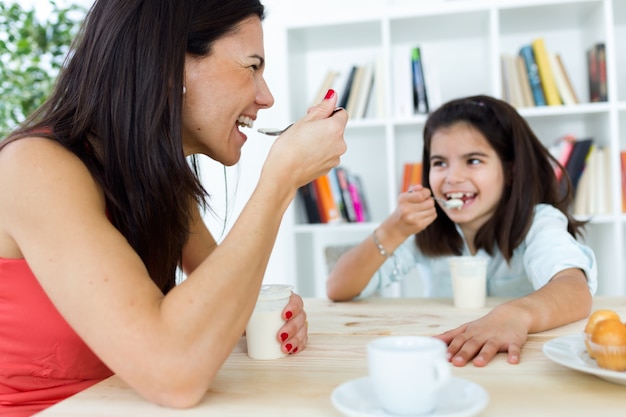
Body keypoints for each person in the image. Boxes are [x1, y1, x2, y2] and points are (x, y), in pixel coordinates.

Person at [0, 1, 348, 415]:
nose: (266, 97)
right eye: (251, 66)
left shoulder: (158, 180)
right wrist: (279, 181)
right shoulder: (32, 170)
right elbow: (173, 371)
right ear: (169, 68)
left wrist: (264, 314)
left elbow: (224, 307)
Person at [326, 95, 596, 367]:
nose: (452, 177)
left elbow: (575, 290)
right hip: (447, 359)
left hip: (521, 362)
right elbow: (338, 288)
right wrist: (393, 229)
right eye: (440, 163)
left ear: (510, 170)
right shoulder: (425, 227)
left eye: (474, 161)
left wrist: (514, 314)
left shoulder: (538, 222)